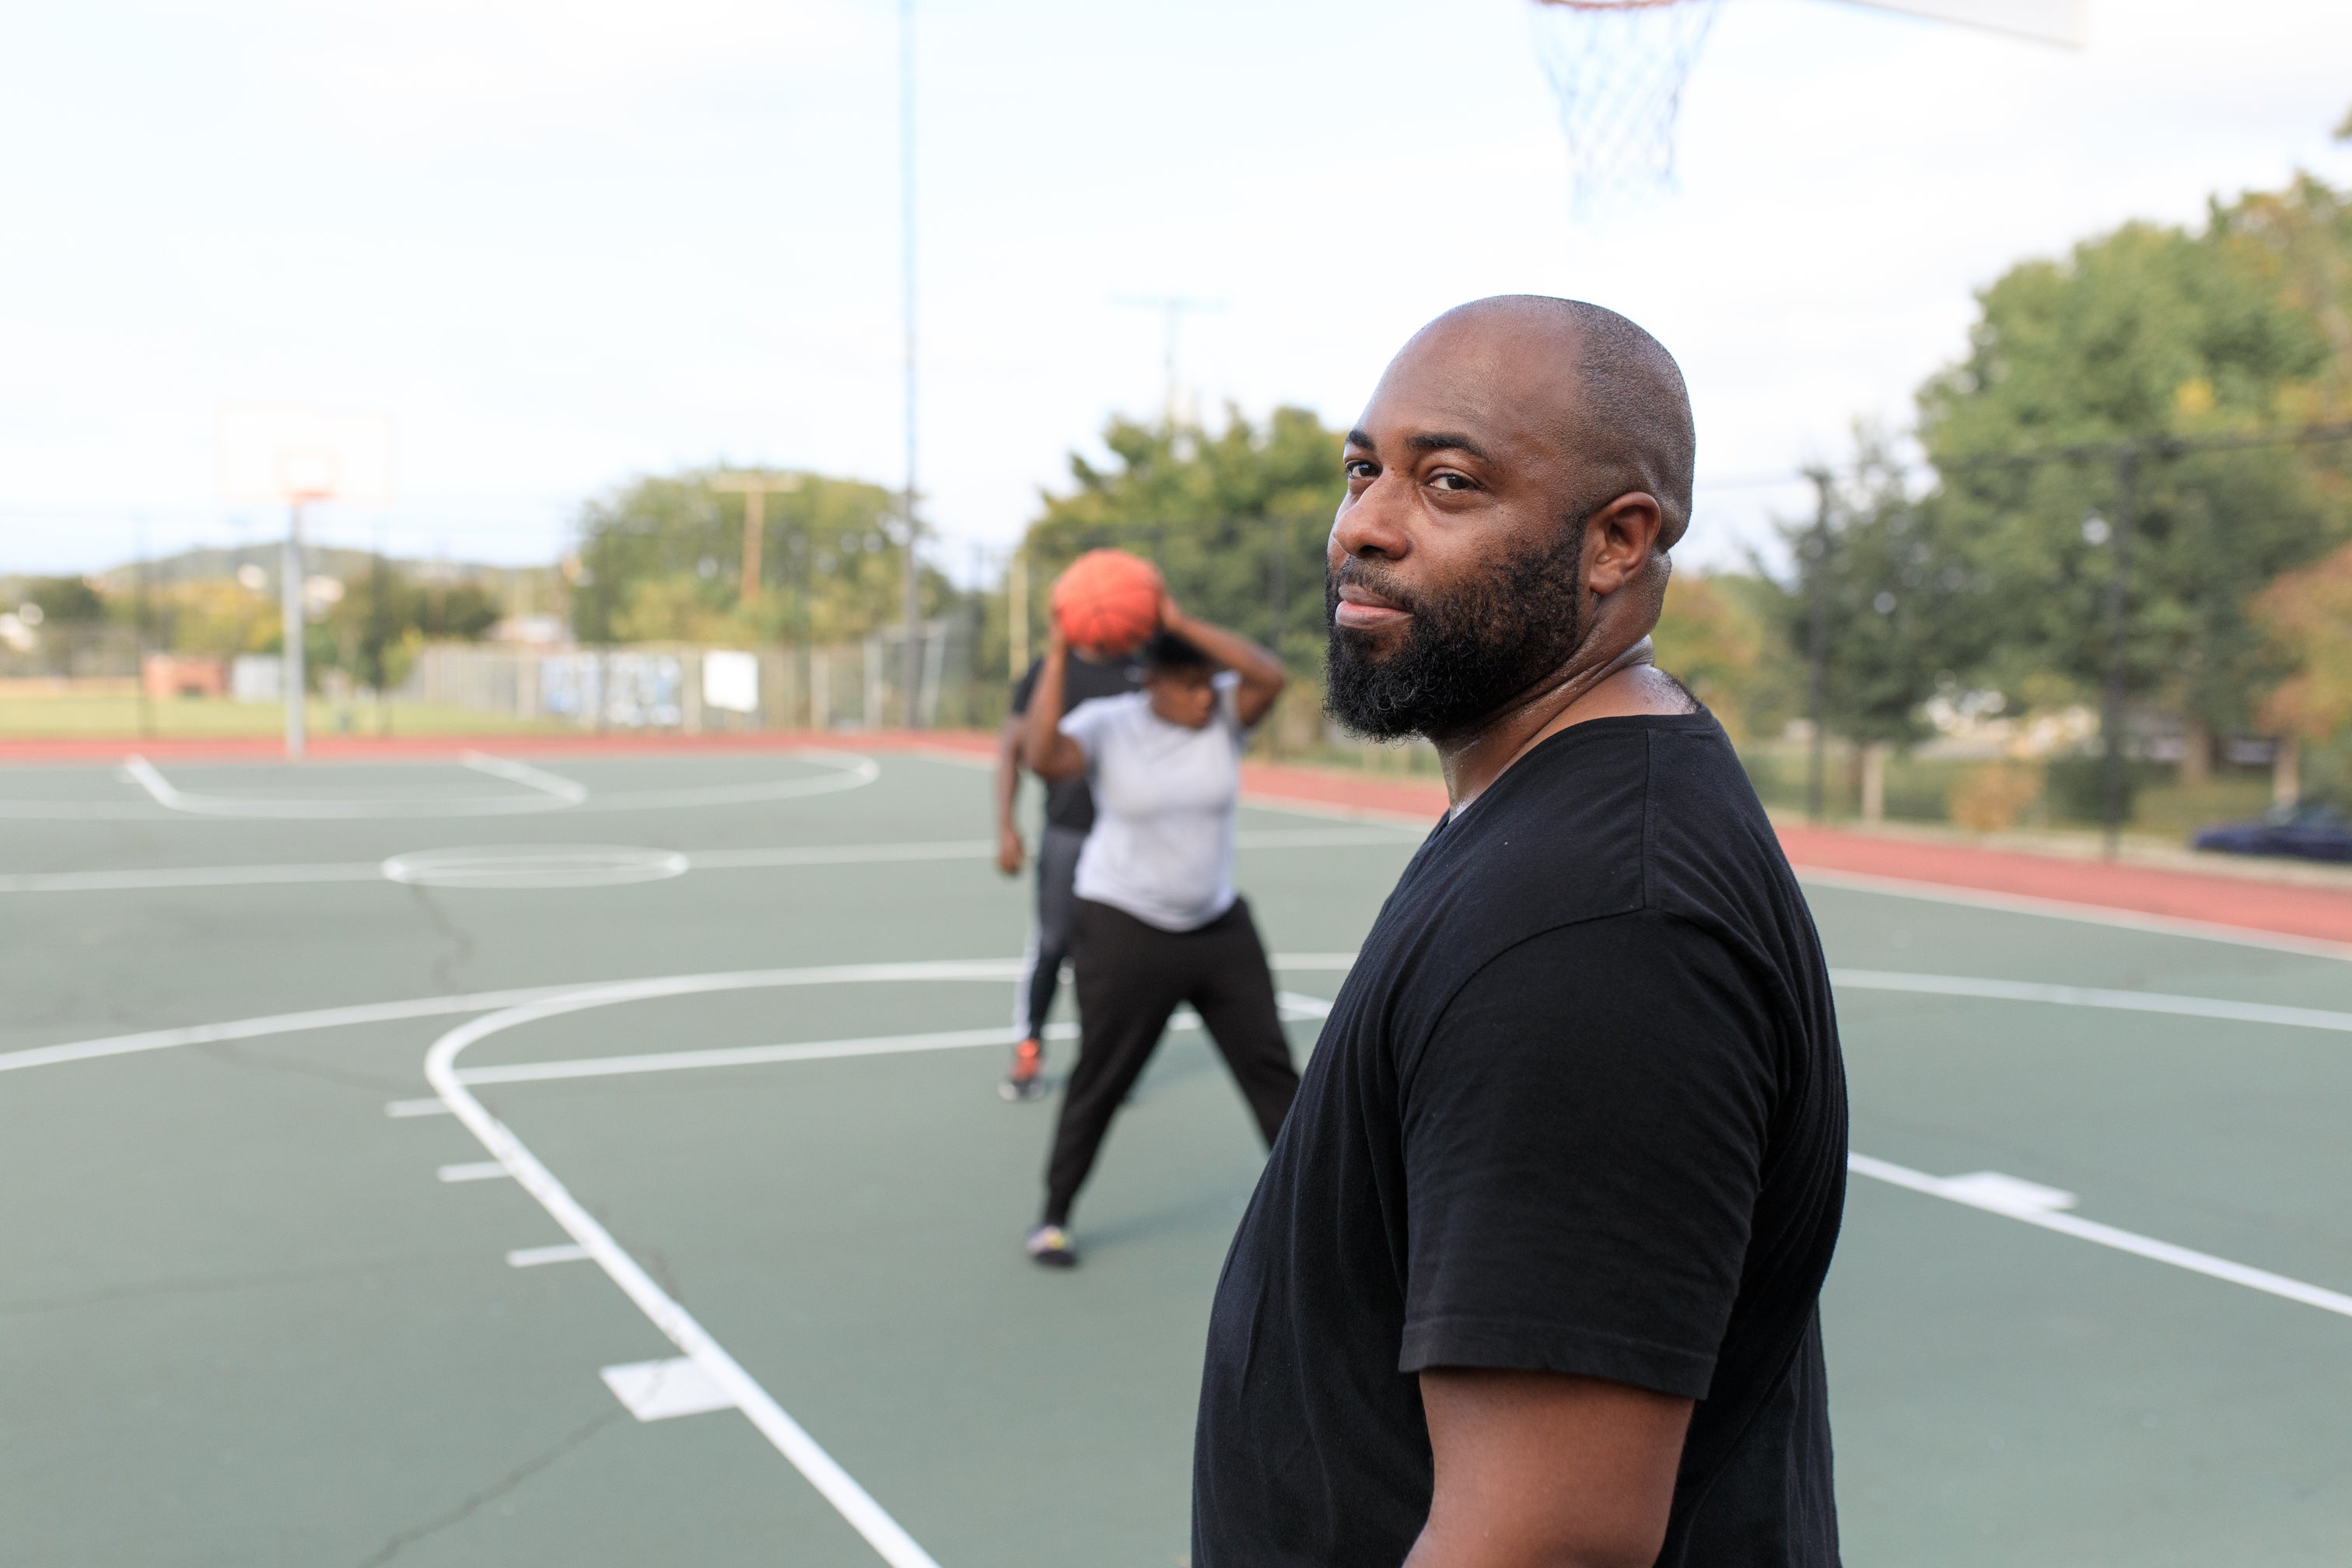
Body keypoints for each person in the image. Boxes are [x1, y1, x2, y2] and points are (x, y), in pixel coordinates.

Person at [1192, 297, 1847, 1567]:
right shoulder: (1546, 824)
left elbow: (1544, 1540)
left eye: (1447, 483)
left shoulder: (1596, 928)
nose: (1364, 526)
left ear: (1616, 542)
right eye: (1362, 471)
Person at [1017, 597, 1300, 1267]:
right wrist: (1059, 651)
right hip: (1124, 924)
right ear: (1151, 682)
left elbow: (1270, 676)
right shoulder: (1108, 723)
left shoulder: (1224, 714)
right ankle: (1054, 1217)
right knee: (1102, 1076)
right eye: (1188, 685)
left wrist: (1175, 621)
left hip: (1217, 926)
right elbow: (1043, 756)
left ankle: (1317, 1214)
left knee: (1274, 1076)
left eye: (1208, 683)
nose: (1205, 697)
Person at [995, 635, 1144, 1099]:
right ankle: (1029, 1049)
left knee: (1113, 955)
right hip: (1067, 833)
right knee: (1052, 944)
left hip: (1124, 835)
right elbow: (1012, 748)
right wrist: (1006, 826)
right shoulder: (1049, 670)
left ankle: (1102, 1064)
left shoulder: (1143, 668)